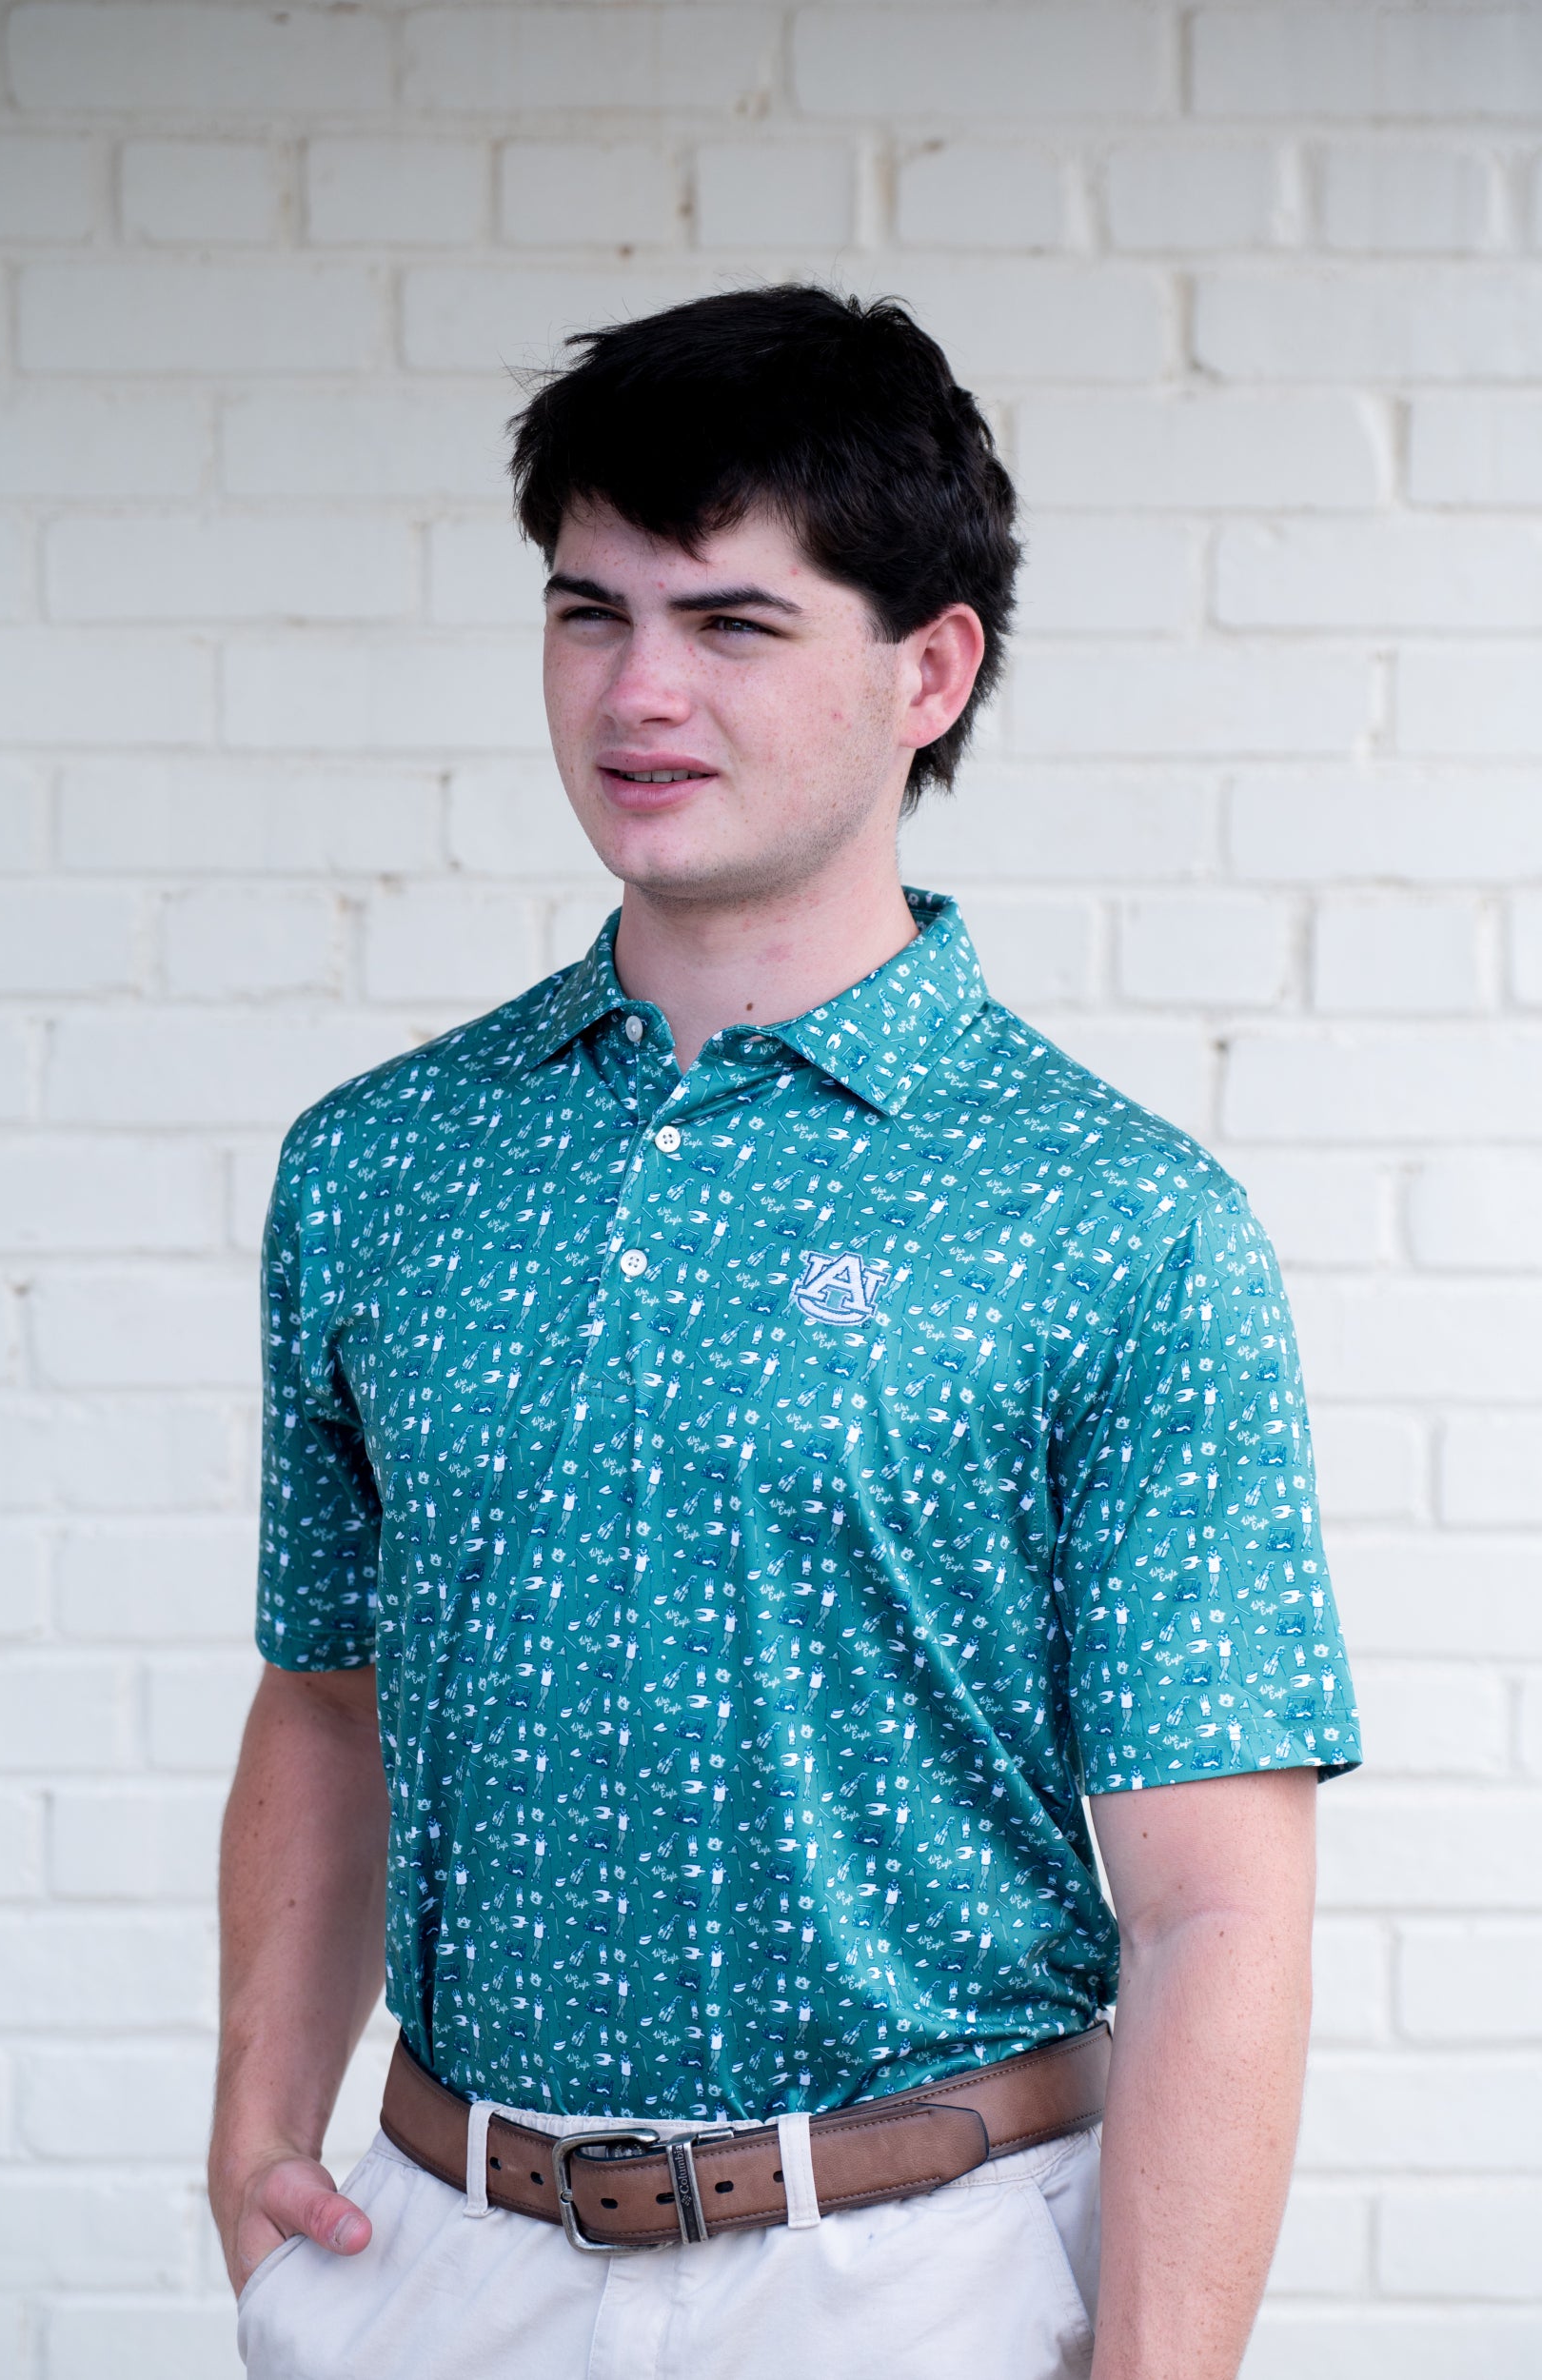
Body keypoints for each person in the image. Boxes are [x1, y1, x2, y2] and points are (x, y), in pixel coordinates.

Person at [208, 286, 1361, 2380]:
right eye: (589, 612)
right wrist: (250, 2130)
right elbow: (321, 1696)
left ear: (929, 667)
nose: (638, 689)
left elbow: (1216, 1900)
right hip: (438, 2256)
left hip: (922, 2278)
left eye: (731, 623)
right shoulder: (377, 1167)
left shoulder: (1116, 1219)